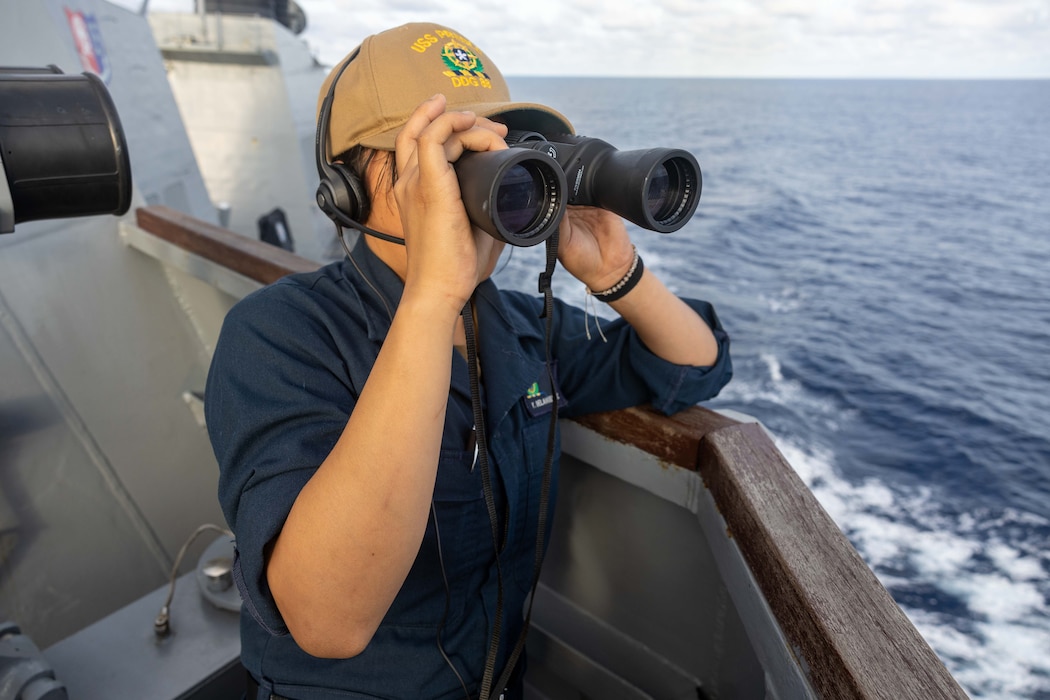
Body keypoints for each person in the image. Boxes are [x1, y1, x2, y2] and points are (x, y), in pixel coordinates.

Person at [205, 21, 732, 700]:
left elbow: (692, 365)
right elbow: (327, 620)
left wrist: (617, 272)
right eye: (451, 155)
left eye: (502, 155)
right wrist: (431, 297)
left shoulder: (513, 324)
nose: (481, 183)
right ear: (353, 189)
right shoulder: (279, 335)